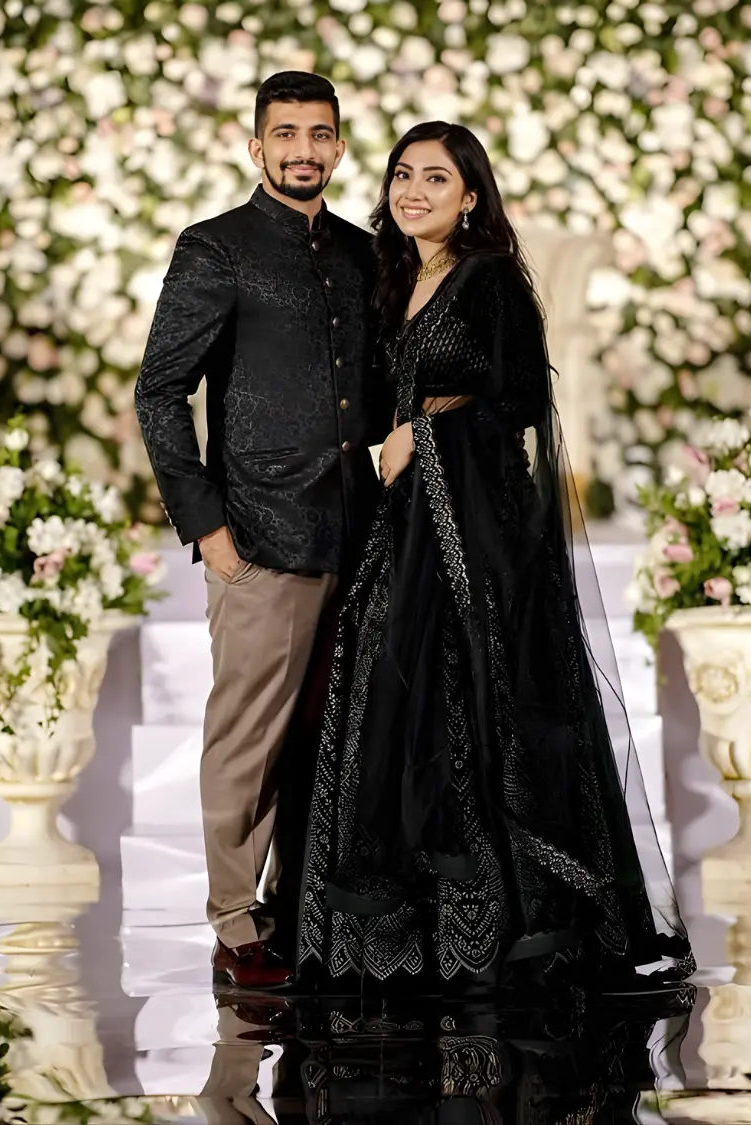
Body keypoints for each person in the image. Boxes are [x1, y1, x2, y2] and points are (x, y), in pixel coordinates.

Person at [297, 122, 695, 992]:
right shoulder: (397, 275)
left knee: (482, 695)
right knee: (398, 694)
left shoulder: (490, 281)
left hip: (479, 527)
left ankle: (512, 928)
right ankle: (413, 936)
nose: (414, 192)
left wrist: (422, 436)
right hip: (410, 526)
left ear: (471, 195)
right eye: (404, 175)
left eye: (436, 180)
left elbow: (518, 402)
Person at [135, 71, 387, 991]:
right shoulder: (216, 248)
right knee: (247, 736)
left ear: (340, 146)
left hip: (359, 538)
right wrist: (210, 532)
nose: (303, 151)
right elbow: (160, 390)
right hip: (260, 537)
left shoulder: (365, 254)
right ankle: (236, 917)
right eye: (286, 134)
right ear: (255, 147)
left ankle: (298, 904)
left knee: (329, 736)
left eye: (320, 134)